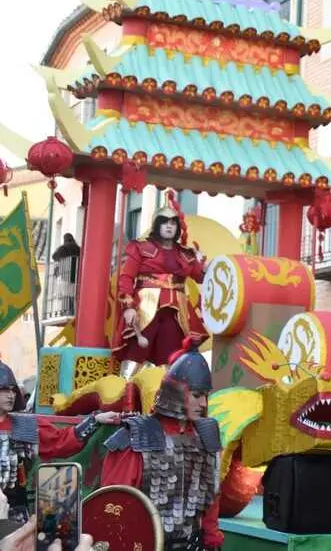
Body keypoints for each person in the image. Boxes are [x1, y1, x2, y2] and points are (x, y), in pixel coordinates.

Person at [99, 336, 223, 551]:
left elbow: (211, 497)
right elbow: (115, 505)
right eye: (196, 395)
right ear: (176, 394)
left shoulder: (207, 434)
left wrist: (212, 538)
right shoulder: (138, 436)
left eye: (205, 395)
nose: (203, 403)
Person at [0, 358, 119, 525]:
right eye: (4, 390)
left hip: (14, 513)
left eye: (13, 390)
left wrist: (94, 420)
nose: (11, 395)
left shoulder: (25, 426)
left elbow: (61, 441)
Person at [113, 205, 207, 373]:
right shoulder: (140, 248)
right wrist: (128, 306)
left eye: (173, 222)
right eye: (164, 222)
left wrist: (203, 263)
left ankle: (165, 389)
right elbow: (126, 278)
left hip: (176, 311)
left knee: (171, 357)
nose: (169, 226)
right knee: (136, 353)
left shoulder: (186, 254)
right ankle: (123, 387)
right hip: (145, 307)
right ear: (156, 225)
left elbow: (202, 277)